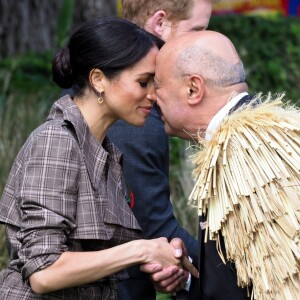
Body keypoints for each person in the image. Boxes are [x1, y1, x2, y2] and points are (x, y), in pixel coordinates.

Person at [0, 16, 198, 300]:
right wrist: (142, 249)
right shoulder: (57, 141)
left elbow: (93, 265)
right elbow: (43, 272)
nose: (154, 95)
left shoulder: (104, 151)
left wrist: (160, 265)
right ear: (98, 80)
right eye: (144, 82)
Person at [154, 30, 300, 299]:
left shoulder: (244, 153)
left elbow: (281, 286)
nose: (151, 96)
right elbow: (245, 278)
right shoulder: (267, 136)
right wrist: (188, 280)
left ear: (193, 89)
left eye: (158, 85)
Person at [107, 1, 212, 299]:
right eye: (197, 30)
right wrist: (238, 277)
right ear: (160, 23)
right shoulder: (132, 113)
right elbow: (153, 227)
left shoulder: (113, 81)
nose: (203, 43)